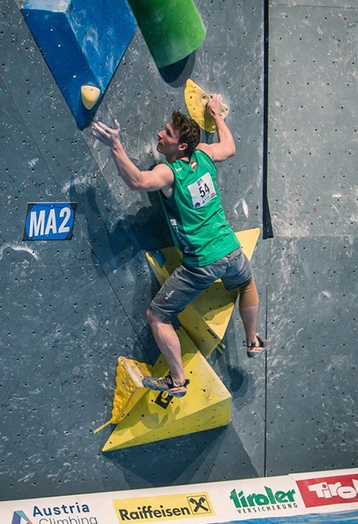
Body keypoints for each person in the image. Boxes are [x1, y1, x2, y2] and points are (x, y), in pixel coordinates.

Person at [91, 94, 268, 398]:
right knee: (247, 283)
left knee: (157, 316)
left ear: (181, 146)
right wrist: (217, 115)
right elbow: (230, 147)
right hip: (231, 250)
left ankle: (176, 381)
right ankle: (253, 341)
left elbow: (137, 181)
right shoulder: (203, 155)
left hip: (201, 262)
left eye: (168, 133)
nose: (160, 134)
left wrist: (115, 146)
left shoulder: (170, 173)